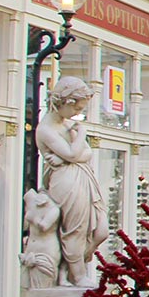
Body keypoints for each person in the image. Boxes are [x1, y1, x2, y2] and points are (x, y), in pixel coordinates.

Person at [36, 75, 110, 286]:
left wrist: (73, 152)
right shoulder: (46, 129)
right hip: (65, 182)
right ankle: (76, 275)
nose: (78, 113)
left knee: (101, 230)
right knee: (75, 229)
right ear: (65, 102)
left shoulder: (67, 125)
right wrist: (79, 137)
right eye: (76, 108)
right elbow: (72, 153)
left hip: (83, 176)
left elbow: (84, 154)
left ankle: (69, 265)